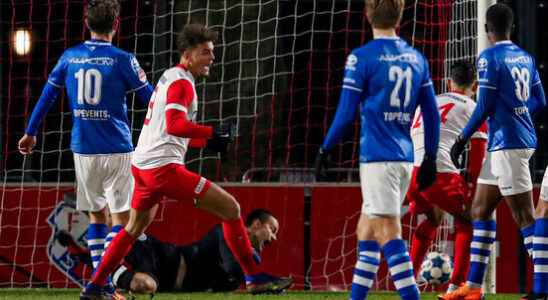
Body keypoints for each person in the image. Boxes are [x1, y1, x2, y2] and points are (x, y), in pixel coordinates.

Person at [80, 23, 292, 300]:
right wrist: (211, 132)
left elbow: (172, 131)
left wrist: (209, 142)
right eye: (205, 52)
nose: (212, 58)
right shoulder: (182, 83)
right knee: (231, 208)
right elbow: (175, 125)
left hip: (143, 168)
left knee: (132, 229)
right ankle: (254, 277)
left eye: (212, 53)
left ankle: (94, 287)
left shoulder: (170, 77)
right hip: (163, 170)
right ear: (188, 54)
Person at [17, 0, 153, 293]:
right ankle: (104, 281)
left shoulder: (70, 57)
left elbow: (47, 97)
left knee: (95, 216)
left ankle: (102, 285)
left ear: (87, 23)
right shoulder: (123, 59)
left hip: (83, 149)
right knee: (122, 219)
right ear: (115, 24)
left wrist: (30, 132)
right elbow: (150, 100)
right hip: (117, 148)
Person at [314, 0, 440, 299]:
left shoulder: (362, 58)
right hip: (404, 157)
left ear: (367, 14)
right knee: (366, 230)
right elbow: (432, 114)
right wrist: (431, 157)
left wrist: (325, 148)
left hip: (378, 158)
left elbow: (346, 113)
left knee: (387, 231)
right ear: (401, 15)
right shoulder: (416, 58)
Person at [447, 3, 547, 300]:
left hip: (508, 144)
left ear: (488, 30)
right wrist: (518, 111)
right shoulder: (526, 57)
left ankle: (542, 288)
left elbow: (486, 104)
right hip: (508, 142)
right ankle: (475, 287)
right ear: (511, 27)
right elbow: (540, 100)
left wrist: (462, 138)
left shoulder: (489, 56)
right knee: (480, 209)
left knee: (525, 217)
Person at [406, 61, 487, 294]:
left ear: (449, 81)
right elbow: (478, 150)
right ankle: (457, 285)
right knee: (467, 219)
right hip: (439, 174)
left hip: (412, 175)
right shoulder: (474, 106)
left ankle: (408, 283)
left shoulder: (430, 101)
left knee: (433, 218)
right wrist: (472, 186)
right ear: (476, 84)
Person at [110, 209, 290, 294]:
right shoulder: (226, 231)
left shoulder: (248, 264)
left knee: (144, 286)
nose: (273, 238)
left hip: (165, 283)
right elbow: (232, 268)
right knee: (122, 226)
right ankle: (94, 256)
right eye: (272, 230)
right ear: (257, 224)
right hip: (161, 256)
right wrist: (265, 282)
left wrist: (262, 287)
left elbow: (225, 290)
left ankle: (103, 266)